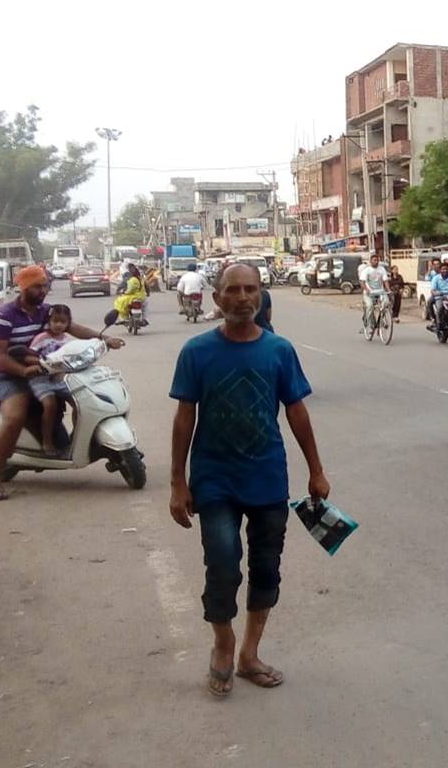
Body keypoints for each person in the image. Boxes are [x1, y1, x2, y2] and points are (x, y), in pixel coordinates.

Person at [168, 263, 329, 697]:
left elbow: (297, 411)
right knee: (221, 562)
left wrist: (316, 470)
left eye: (251, 289)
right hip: (214, 478)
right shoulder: (197, 351)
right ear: (217, 298)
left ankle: (249, 654)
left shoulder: (279, 351)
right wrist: (177, 482)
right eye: (233, 290)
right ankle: (223, 642)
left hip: (267, 477)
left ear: (261, 296)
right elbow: (185, 419)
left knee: (265, 566)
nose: (242, 297)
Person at [0, 267, 122, 500]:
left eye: (45, 285)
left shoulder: (46, 311)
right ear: (23, 287)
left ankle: (84, 447)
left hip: (45, 372)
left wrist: (104, 338)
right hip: (8, 376)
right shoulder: (4, 316)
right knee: (15, 416)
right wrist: (24, 370)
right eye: (38, 286)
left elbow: (72, 328)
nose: (43, 290)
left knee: (83, 396)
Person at [28, 304, 74, 456]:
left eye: (63, 322)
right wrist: (40, 364)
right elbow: (30, 355)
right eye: (55, 321)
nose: (59, 325)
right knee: (50, 404)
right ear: (49, 321)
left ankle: (77, 439)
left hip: (60, 379)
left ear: (68, 323)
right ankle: (47, 441)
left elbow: (72, 359)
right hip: (40, 379)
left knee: (80, 403)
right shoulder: (41, 338)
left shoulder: (67, 341)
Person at [104, 263, 148, 329]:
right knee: (144, 306)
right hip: (141, 296)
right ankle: (143, 319)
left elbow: (129, 289)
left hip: (133, 296)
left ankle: (123, 318)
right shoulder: (140, 278)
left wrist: (125, 292)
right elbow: (145, 287)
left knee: (120, 303)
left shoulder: (132, 279)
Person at [360, 253, 390, 334]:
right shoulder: (367, 270)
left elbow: (385, 281)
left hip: (380, 291)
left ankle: (382, 319)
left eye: (377, 260)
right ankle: (370, 325)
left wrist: (388, 290)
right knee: (370, 307)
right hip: (369, 293)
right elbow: (362, 282)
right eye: (374, 260)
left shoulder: (382, 269)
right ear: (370, 261)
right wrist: (366, 289)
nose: (376, 262)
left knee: (386, 303)